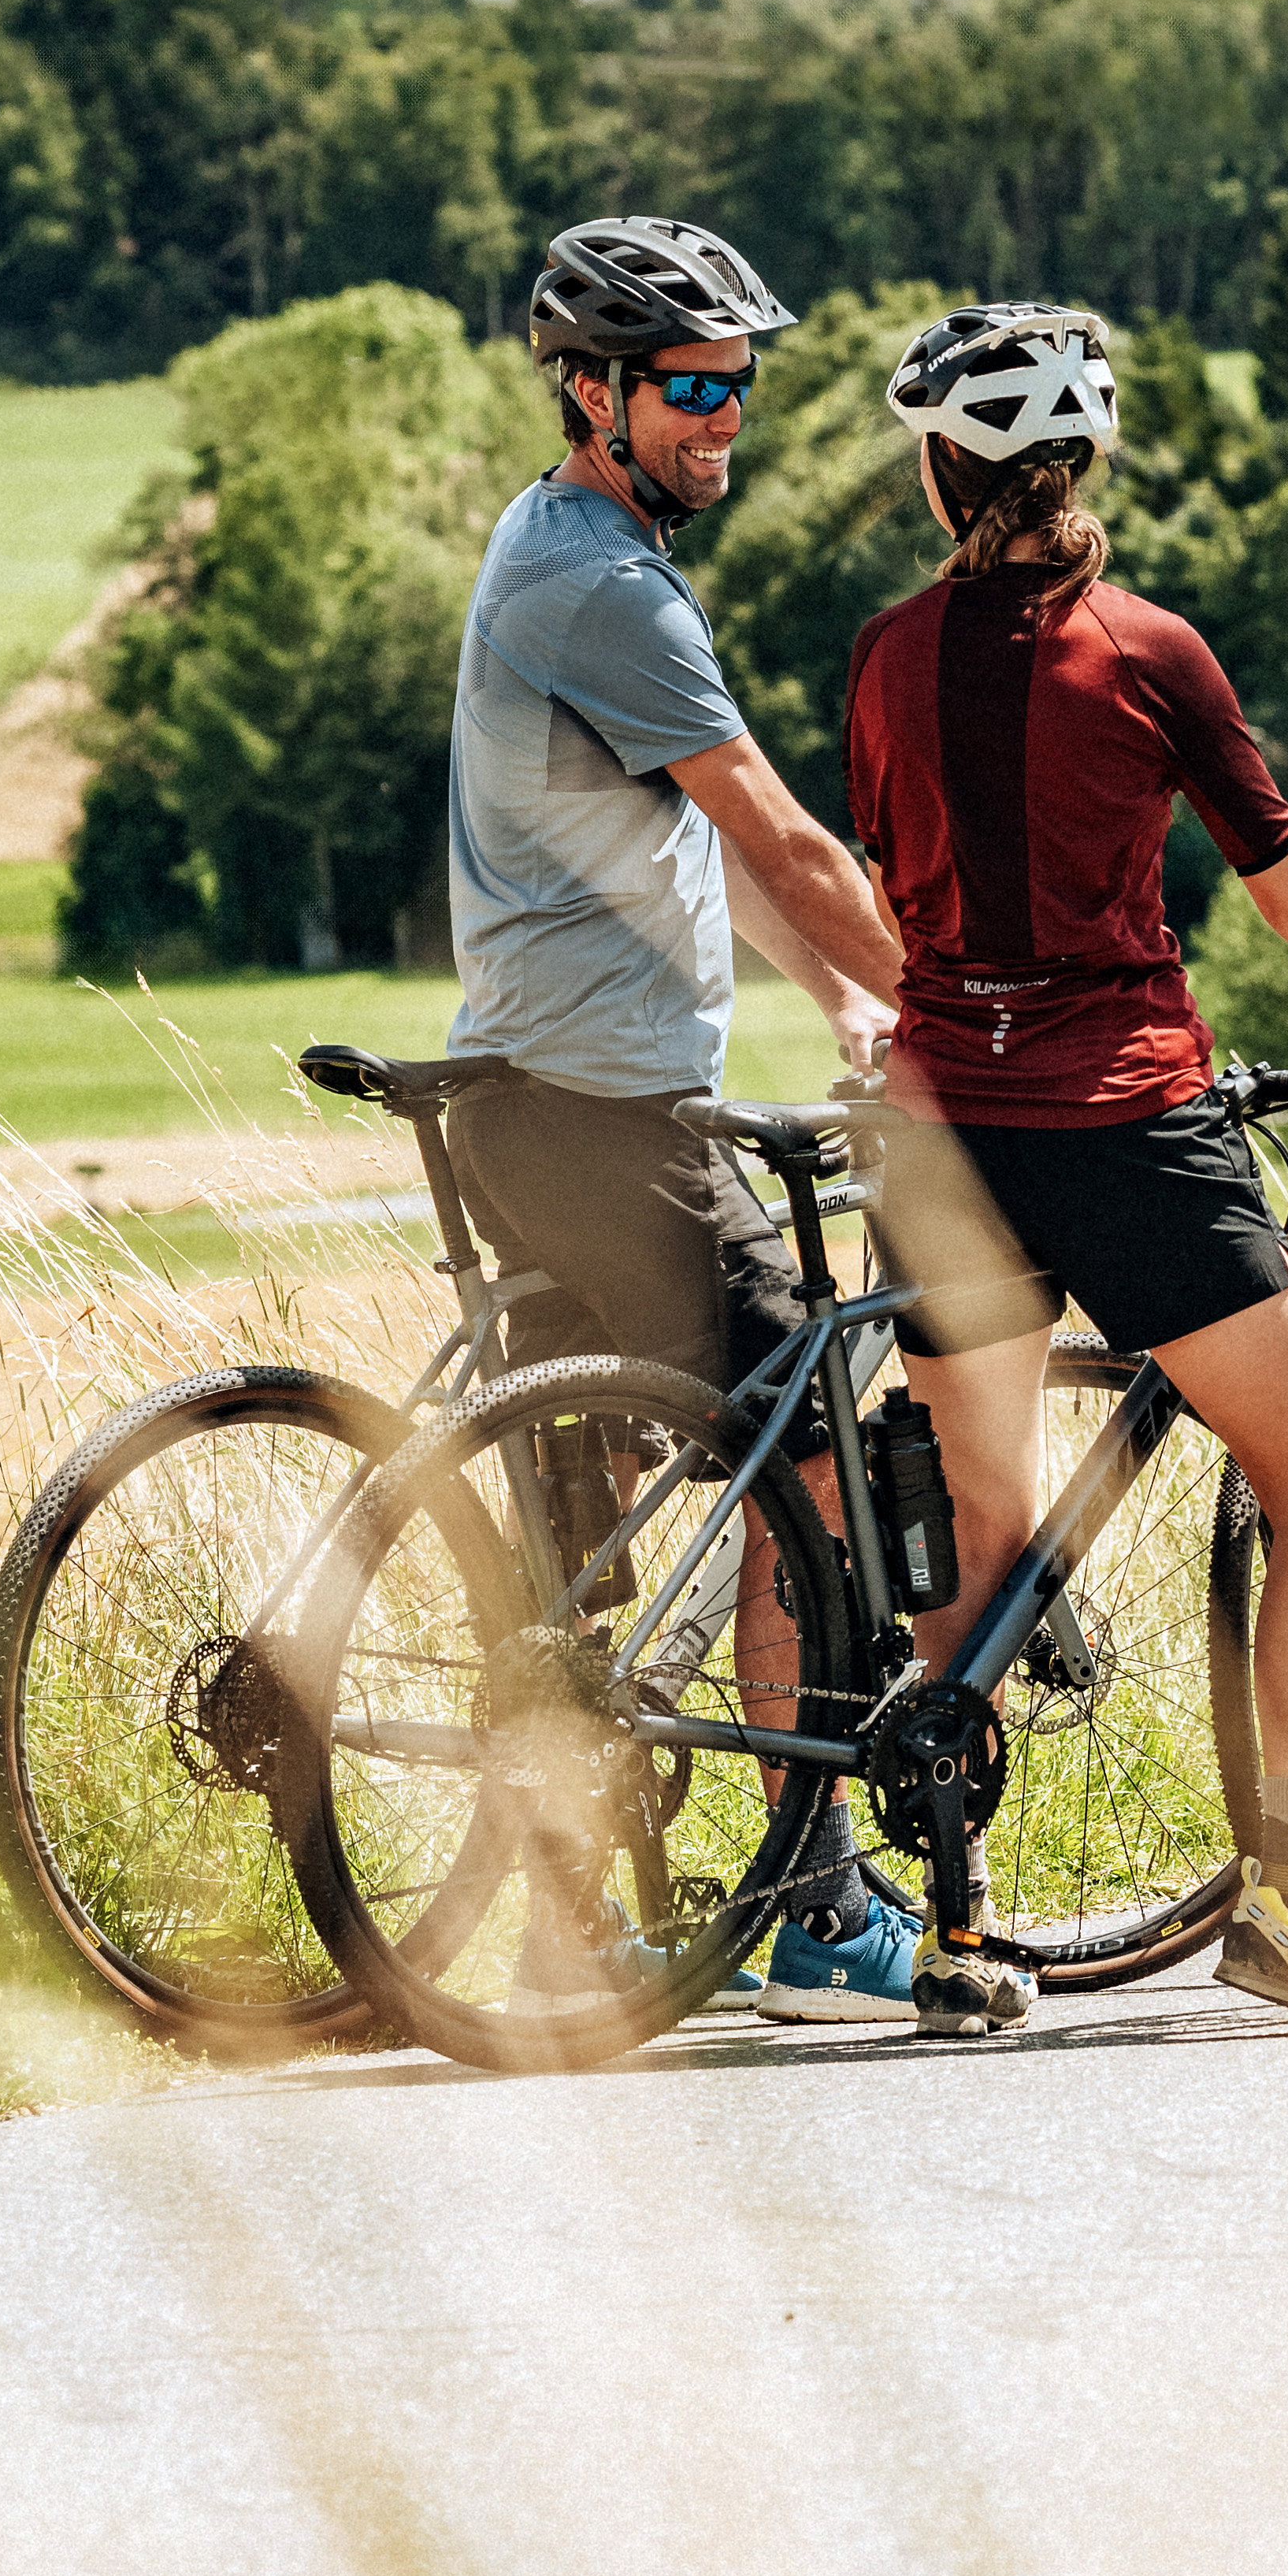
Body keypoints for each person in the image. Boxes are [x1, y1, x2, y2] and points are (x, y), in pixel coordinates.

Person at [838, 299, 1288, 2032]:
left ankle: (961, 1933)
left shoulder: (882, 659)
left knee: (976, 1533)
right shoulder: (1148, 651)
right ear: (1083, 470)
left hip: (936, 1134)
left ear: (945, 473)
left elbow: (890, 872)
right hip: (1119, 1127)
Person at [438, 213, 959, 2027]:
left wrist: (846, 999)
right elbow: (785, 840)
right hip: (605, 1116)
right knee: (809, 1445)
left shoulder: (567, 543)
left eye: (737, 386)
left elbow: (685, 857)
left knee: (588, 1546)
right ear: (590, 392)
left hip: (547, 1097)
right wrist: (962, 1005)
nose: (720, 417)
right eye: (686, 388)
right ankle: (814, 1899)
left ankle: (571, 1934)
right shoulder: (611, 584)